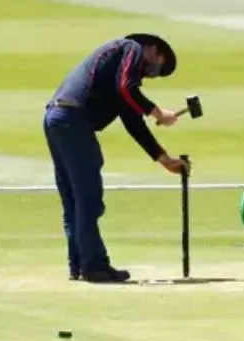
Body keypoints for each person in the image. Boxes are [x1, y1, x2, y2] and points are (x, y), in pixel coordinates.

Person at [44, 34, 190, 283]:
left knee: (74, 200)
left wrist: (164, 159)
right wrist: (157, 112)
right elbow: (127, 88)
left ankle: (79, 264)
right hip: (74, 121)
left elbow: (133, 122)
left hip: (56, 118)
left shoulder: (116, 74)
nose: (152, 74)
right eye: (159, 65)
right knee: (88, 199)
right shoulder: (131, 48)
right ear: (153, 49)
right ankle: (94, 266)